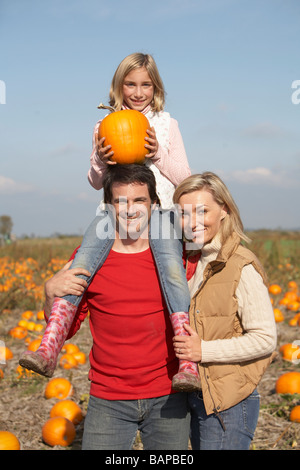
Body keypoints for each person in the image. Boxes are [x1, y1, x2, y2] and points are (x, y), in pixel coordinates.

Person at [19, 53, 200, 392]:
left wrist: (158, 152)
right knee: (80, 265)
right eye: (130, 84)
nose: (138, 91)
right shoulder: (103, 125)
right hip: (112, 214)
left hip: (158, 214)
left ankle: (187, 362)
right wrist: (101, 161)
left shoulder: (166, 124)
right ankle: (49, 346)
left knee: (172, 273)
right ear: (119, 87)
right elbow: (93, 180)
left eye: (146, 84)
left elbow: (185, 177)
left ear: (155, 87)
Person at [43, 164, 191, 450]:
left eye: (140, 200)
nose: (130, 209)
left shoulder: (178, 257)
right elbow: (69, 326)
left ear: (155, 204)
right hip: (108, 398)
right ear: (108, 207)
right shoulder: (88, 259)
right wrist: (49, 294)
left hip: (169, 394)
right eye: (120, 201)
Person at [172, 172, 277, 450]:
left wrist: (203, 351)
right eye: (184, 213)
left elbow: (265, 338)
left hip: (228, 402)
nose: (192, 222)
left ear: (224, 210)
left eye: (202, 211)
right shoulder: (187, 261)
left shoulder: (240, 264)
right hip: (195, 395)